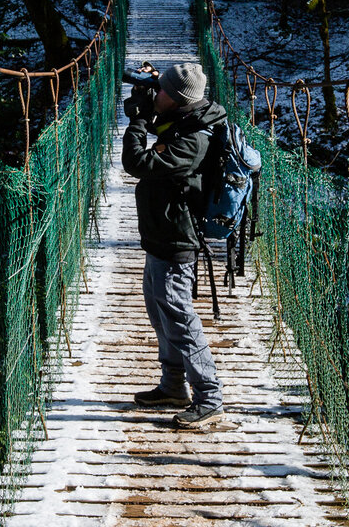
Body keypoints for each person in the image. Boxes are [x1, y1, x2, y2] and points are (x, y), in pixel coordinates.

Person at [121, 61, 228, 429]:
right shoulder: (184, 119)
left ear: (179, 100)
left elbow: (137, 161)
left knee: (180, 317)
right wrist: (148, 99)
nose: (157, 94)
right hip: (159, 235)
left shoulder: (195, 138)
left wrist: (136, 120)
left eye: (163, 91)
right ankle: (172, 386)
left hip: (178, 239)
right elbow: (161, 124)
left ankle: (209, 396)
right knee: (160, 311)